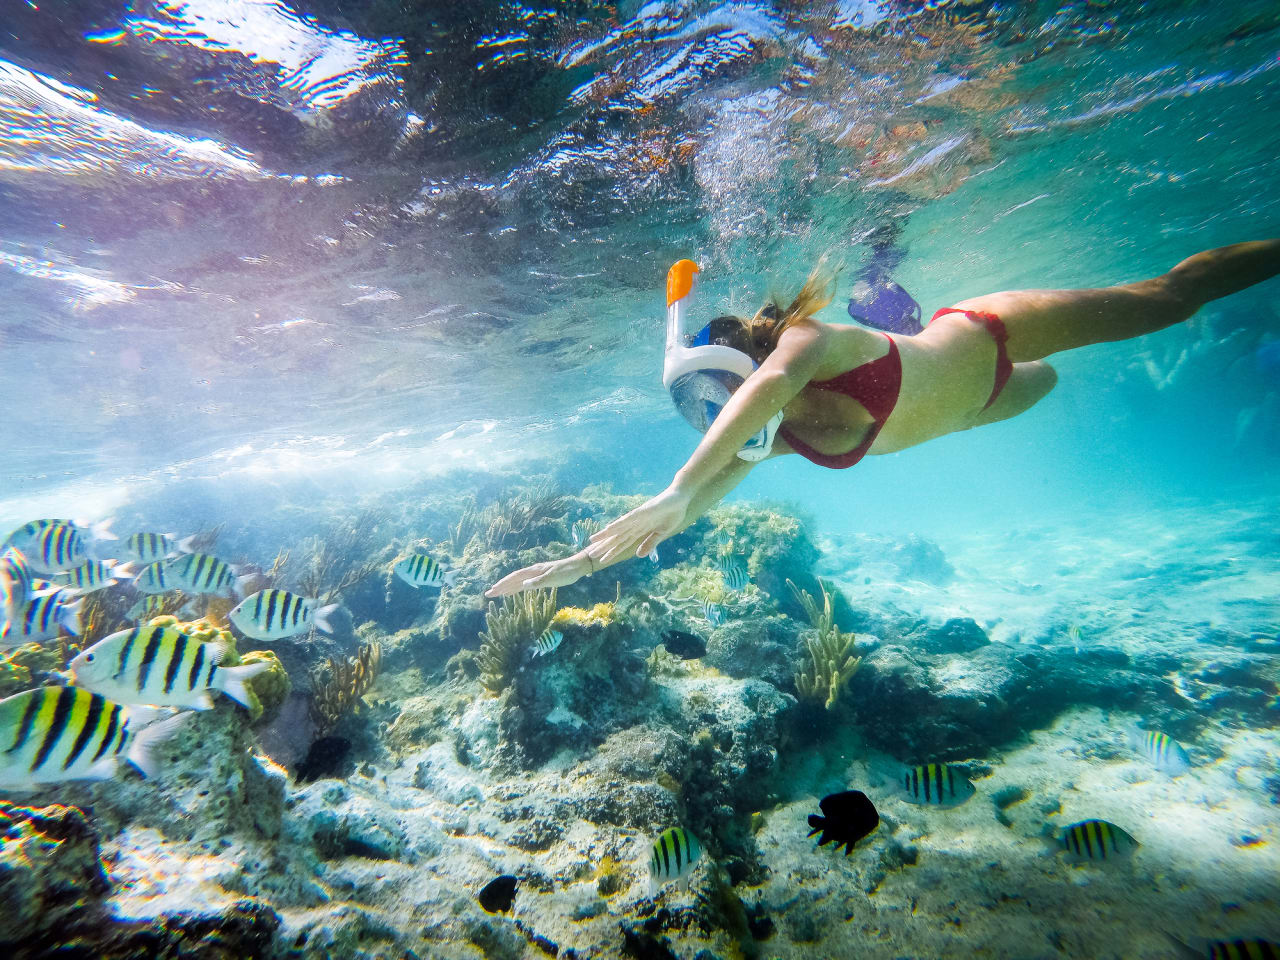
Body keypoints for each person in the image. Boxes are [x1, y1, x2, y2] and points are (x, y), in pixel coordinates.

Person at [487, 240, 1280, 598]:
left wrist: (673, 488)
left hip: (982, 335)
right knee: (1049, 384)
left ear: (744, 370)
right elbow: (696, 500)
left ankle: (884, 299)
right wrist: (577, 565)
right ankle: (891, 311)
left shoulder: (802, 345)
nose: (714, 418)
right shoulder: (772, 438)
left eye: (715, 398)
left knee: (1169, 301)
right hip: (977, 406)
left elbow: (768, 390)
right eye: (700, 409)